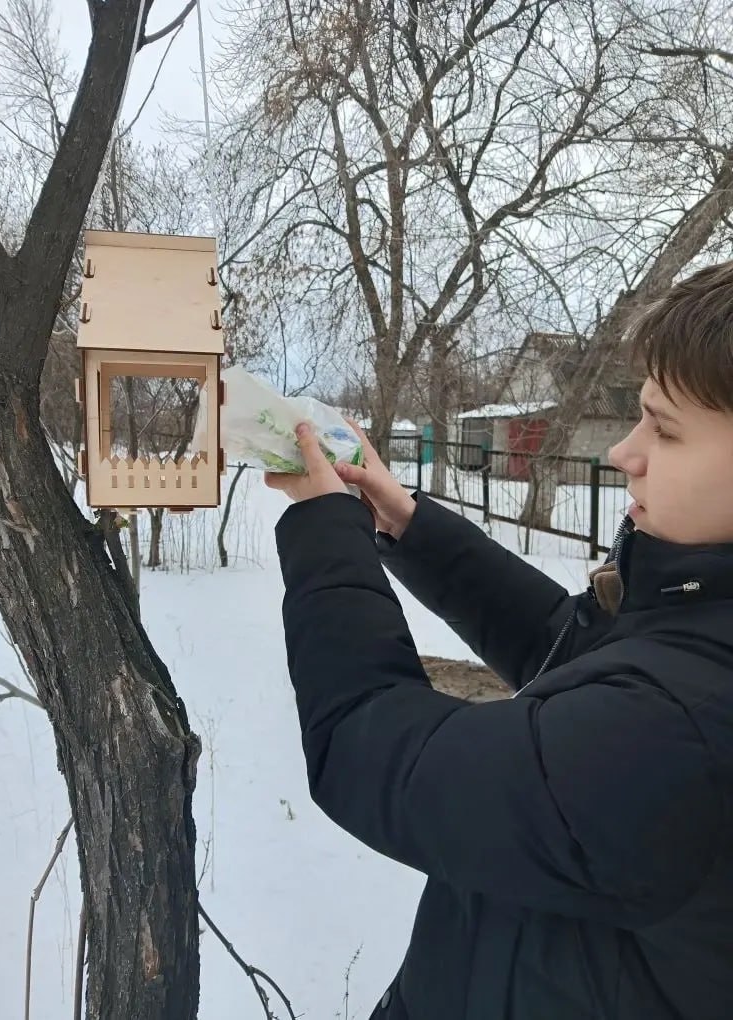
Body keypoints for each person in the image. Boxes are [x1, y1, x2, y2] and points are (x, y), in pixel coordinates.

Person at [266, 262, 733, 1020]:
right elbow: (573, 651)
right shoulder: (698, 617)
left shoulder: (682, 735)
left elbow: (368, 742)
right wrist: (409, 526)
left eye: (667, 430)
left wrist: (325, 526)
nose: (625, 451)